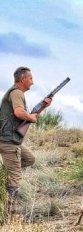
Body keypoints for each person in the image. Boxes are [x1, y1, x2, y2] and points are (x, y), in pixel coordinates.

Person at [0, 66, 52, 215]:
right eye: (30, 79)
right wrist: (31, 117)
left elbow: (26, 117)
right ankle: (8, 212)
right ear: (23, 79)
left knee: (29, 159)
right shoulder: (16, 92)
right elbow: (19, 113)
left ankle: (5, 174)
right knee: (15, 176)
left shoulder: (17, 93)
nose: (32, 82)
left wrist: (42, 108)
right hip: (8, 142)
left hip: (11, 141)